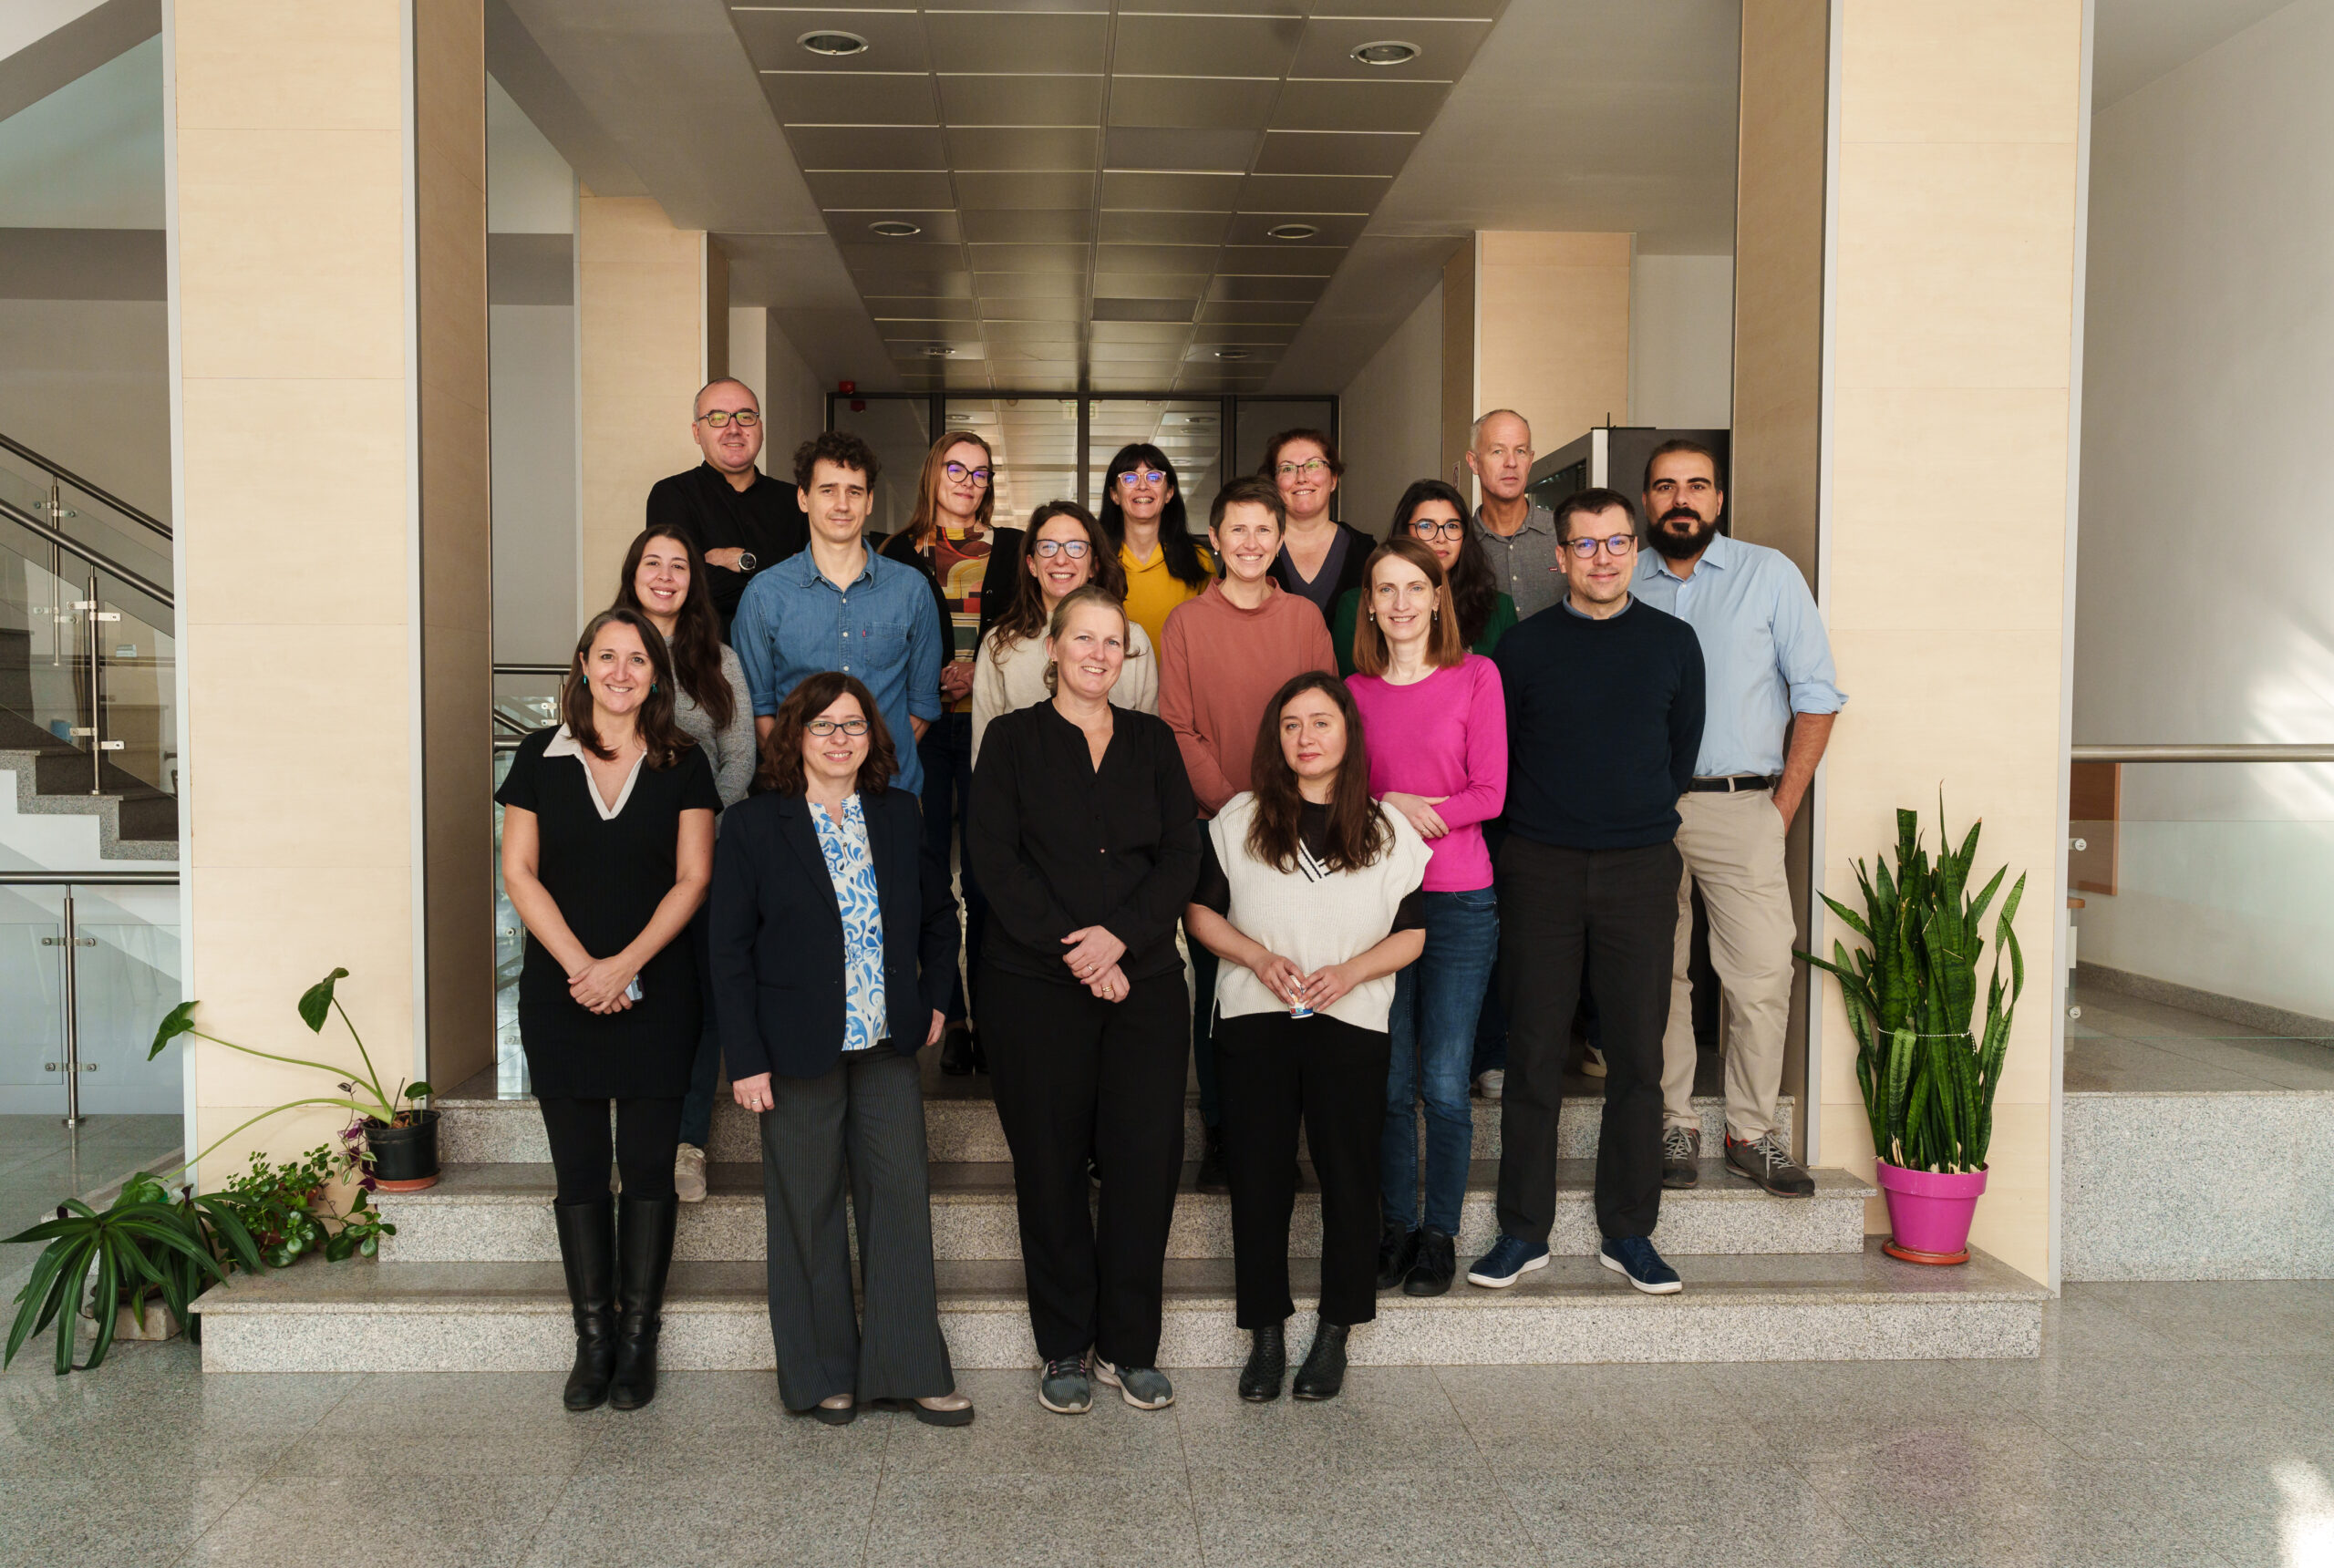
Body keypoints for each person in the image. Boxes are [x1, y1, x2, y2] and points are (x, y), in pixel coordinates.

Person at [707, 672, 972, 1428]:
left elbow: (937, 915)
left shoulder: (898, 814)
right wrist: (746, 1058)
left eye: (854, 726)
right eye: (823, 726)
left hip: (887, 1040)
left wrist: (937, 998)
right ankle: (824, 1371)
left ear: (873, 738)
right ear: (794, 736)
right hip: (792, 1049)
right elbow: (727, 950)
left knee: (898, 1200)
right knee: (807, 1208)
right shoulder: (756, 826)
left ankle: (910, 1368)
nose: (839, 739)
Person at [968, 585, 1201, 1417]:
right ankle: (1064, 1344)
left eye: (1114, 643)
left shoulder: (1153, 742)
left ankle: (1130, 1347)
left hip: (1142, 986)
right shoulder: (1011, 739)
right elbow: (994, 861)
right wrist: (1079, 947)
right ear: (1054, 650)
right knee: (1051, 1163)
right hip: (1034, 987)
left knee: (1145, 1165)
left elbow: (1181, 856)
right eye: (1085, 639)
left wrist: (1120, 942)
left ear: (1125, 656)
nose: (1099, 654)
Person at [1471, 489, 1704, 1298]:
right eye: (1585, 544)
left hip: (1640, 867)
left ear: (1633, 549)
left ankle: (1630, 1231)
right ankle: (1522, 1231)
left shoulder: (1675, 643)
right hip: (1540, 866)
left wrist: (1627, 821)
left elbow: (1678, 756)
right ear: (1558, 556)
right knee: (1534, 1052)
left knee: (1638, 1053)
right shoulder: (1523, 650)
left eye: (1616, 543)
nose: (1603, 558)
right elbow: (1502, 765)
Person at [495, 607, 718, 1411]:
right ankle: (593, 1343)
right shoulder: (537, 758)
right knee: (582, 1172)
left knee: (653, 1170)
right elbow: (520, 874)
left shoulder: (683, 763)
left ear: (655, 676)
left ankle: (638, 1344)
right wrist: (584, 969)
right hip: (562, 996)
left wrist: (623, 965)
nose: (622, 672)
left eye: (638, 660)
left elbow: (693, 879)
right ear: (583, 663)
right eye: (608, 656)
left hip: (660, 993)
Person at [1186, 674, 1429, 1402]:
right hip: (1257, 1022)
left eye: (1320, 722)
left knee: (1350, 1180)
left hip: (1349, 1025)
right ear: (1276, 739)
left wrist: (1352, 971)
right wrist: (1257, 956)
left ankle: (1334, 1333)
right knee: (1258, 1180)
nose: (1306, 737)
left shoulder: (1387, 830)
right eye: (1291, 725)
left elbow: (1414, 935)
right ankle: (1265, 1335)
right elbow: (1200, 916)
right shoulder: (1238, 820)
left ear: (1348, 734)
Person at [1633, 438, 1844, 1197]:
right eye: (1665, 486)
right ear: (1647, 499)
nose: (1681, 498)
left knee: (1759, 971)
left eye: (1697, 486)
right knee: (1661, 973)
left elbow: (1816, 695)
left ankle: (1752, 1132)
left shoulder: (1768, 574)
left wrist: (1780, 806)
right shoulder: (1622, 576)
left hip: (1741, 802)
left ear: (1719, 501)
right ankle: (1674, 1121)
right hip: (1643, 811)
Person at [1159, 476, 1337, 1193]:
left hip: (1302, 828)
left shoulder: (1303, 619)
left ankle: (1280, 1134)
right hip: (1214, 830)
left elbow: (1324, 718)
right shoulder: (1185, 624)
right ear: (1214, 539)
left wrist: (1288, 810)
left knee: (1291, 977)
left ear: (1280, 540)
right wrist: (1240, 811)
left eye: (1266, 531)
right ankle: (1224, 1133)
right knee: (1222, 986)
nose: (1252, 544)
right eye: (1238, 530)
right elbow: (1177, 726)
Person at [1345, 537, 1506, 1298]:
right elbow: (1337, 796)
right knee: (1386, 1085)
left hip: (1459, 900)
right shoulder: (1353, 692)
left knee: (1444, 1083)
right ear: (1369, 604)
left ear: (1439, 596)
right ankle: (1394, 1230)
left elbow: (1491, 794)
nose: (1403, 602)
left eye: (1417, 586)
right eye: (1388, 589)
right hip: (1377, 906)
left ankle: (1438, 1234)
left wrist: (1409, 809)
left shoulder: (1477, 676)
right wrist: (1389, 803)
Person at [611, 528, 755, 1203]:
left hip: (710, 857)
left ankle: (687, 1144)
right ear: (632, 574)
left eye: (680, 567)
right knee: (637, 996)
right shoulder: (607, 653)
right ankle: (637, 1137)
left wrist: (699, 836)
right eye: (652, 564)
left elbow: (740, 761)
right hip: (625, 862)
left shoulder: (720, 660)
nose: (666, 576)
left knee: (700, 1000)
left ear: (696, 580)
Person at [877, 432, 1010, 1078]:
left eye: (980, 472)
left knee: (988, 878)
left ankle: (991, 1014)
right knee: (929, 876)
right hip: (919, 732)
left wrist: (975, 670)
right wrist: (934, 683)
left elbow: (1025, 630)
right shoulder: (896, 552)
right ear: (933, 472)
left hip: (992, 730)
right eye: (955, 468)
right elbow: (887, 640)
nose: (967, 480)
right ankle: (950, 1016)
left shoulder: (1012, 549)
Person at [730, 430, 942, 796]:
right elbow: (758, 712)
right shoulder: (764, 595)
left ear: (869, 501)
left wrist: (868, 764)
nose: (842, 504)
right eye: (828, 490)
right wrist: (810, 777)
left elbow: (921, 708)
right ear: (803, 498)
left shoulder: (912, 590)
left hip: (890, 793)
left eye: (854, 491)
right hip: (797, 795)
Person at [970, 500, 1158, 766]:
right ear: (1032, 564)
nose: (1061, 559)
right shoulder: (999, 643)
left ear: (1094, 565)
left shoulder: (1133, 639)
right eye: (1047, 547)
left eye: (1076, 547)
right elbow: (985, 758)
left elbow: (1149, 748)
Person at [644, 378, 808, 636]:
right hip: (701, 663)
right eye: (717, 417)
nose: (734, 428)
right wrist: (781, 571)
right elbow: (684, 587)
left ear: (760, 428)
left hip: (785, 665)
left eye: (745, 416)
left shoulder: (796, 500)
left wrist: (741, 562)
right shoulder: (672, 495)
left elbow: (812, 585)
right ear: (697, 432)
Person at [1330, 480, 1518, 676]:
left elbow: (1508, 694)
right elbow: (1348, 693)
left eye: (1452, 526)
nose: (1441, 538)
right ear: (1404, 532)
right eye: (1426, 526)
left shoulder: (1499, 608)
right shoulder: (1357, 604)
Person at [1097, 442, 1213, 652]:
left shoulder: (1198, 559)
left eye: (1154, 477)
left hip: (1179, 684)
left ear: (1169, 493)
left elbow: (1212, 638)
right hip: (1109, 683)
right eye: (1130, 478)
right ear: (1114, 494)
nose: (1142, 486)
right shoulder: (1096, 561)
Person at [1259, 428, 1373, 623]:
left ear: (1333, 480)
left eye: (1313, 465)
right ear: (1275, 485)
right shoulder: (1253, 548)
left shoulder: (1365, 551)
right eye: (1287, 468)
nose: (1301, 477)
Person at [1466, 409, 1564, 619]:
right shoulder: (1460, 543)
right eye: (1498, 451)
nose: (1511, 462)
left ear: (1530, 460)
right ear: (1473, 462)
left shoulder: (1565, 532)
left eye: (1520, 451)